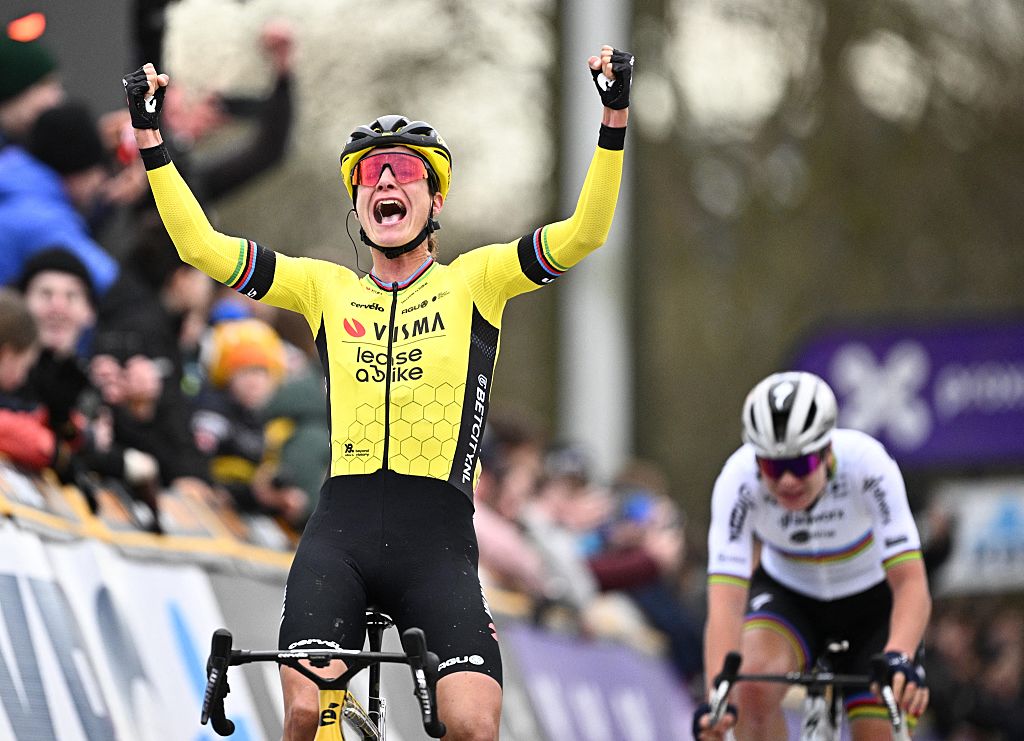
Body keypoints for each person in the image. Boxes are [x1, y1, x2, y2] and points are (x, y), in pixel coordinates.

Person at [122, 43, 633, 741]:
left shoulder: (477, 280)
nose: (384, 180)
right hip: (342, 534)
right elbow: (201, 246)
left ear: (435, 199)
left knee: (473, 725)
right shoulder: (324, 288)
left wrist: (613, 118)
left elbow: (585, 233)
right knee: (307, 713)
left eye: (405, 170)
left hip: (438, 545)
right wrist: (151, 141)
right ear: (358, 202)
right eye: (368, 173)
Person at [694, 371, 932, 741]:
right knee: (750, 688)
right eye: (773, 467)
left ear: (827, 451)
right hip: (790, 596)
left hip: (872, 605)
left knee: (879, 728)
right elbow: (726, 600)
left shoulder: (868, 464)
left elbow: (910, 582)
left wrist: (899, 655)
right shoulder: (738, 480)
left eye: (800, 464)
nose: (787, 481)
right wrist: (717, 702)